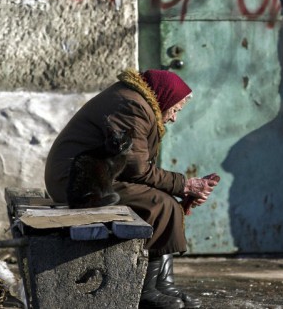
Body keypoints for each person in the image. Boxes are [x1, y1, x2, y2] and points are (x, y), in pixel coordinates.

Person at [45, 68, 219, 309]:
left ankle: (163, 286)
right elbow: (136, 168)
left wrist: (182, 188)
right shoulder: (132, 105)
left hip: (94, 177)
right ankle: (145, 292)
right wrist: (185, 185)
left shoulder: (137, 101)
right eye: (175, 110)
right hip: (78, 182)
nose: (174, 118)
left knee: (164, 201)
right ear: (164, 98)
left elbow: (134, 165)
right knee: (160, 204)